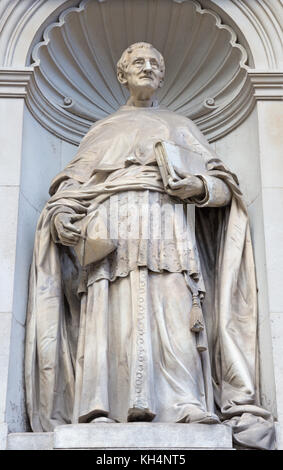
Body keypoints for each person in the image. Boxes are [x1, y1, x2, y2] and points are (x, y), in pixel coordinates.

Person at [25, 42, 275, 449]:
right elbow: (70, 187)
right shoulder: (103, 129)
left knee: (177, 304)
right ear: (122, 74)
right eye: (137, 62)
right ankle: (99, 405)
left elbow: (224, 187)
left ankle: (184, 401)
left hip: (167, 219)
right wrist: (61, 215)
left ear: (162, 75)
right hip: (111, 223)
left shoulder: (181, 126)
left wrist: (198, 186)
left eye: (154, 63)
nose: (147, 68)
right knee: (110, 311)